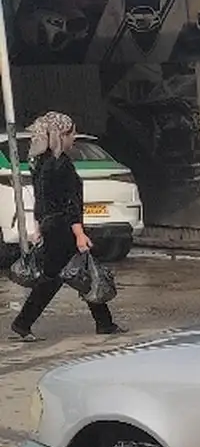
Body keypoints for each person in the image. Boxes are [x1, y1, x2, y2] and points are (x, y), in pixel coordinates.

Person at [9, 113, 120, 342]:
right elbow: (69, 203)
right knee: (57, 277)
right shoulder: (61, 165)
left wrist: (39, 225)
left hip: (52, 226)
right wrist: (79, 233)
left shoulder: (40, 163)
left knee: (82, 271)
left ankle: (105, 323)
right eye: (72, 133)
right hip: (63, 228)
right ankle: (22, 323)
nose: (74, 137)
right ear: (61, 136)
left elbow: (42, 199)